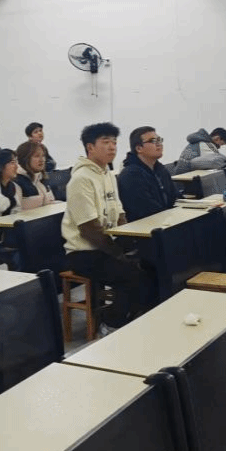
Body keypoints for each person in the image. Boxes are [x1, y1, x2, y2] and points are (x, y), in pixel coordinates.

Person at [62, 123, 143, 334]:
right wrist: (119, 253)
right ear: (90, 147)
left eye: (114, 142)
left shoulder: (107, 174)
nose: (112, 147)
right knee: (131, 275)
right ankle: (110, 322)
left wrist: (128, 243)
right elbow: (89, 229)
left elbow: (120, 213)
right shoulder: (81, 179)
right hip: (84, 253)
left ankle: (131, 317)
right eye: (106, 142)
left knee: (148, 265)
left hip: (105, 247)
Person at [117, 127, 177, 221]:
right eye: (153, 141)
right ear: (139, 148)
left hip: (165, 220)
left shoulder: (160, 169)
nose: (159, 144)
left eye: (159, 140)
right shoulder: (131, 175)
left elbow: (175, 196)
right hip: (146, 225)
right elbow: (147, 210)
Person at [13, 140, 57, 210]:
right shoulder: (16, 181)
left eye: (43, 156)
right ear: (25, 159)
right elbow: (15, 212)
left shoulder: (41, 179)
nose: (42, 160)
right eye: (36, 156)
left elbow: (50, 204)